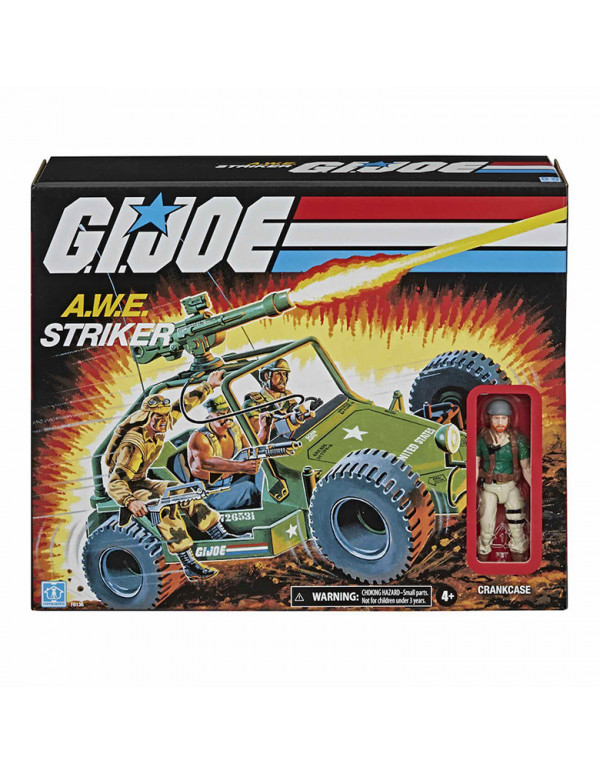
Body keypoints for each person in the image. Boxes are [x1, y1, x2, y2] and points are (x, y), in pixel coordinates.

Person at [105, 370, 236, 581]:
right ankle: (189, 563)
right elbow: (115, 482)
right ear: (147, 417)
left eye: (165, 416)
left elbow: (183, 405)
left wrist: (209, 386)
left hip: (141, 480)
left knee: (185, 491)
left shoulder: (160, 423)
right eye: (158, 417)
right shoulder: (134, 445)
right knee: (165, 506)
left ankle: (219, 534)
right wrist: (130, 501)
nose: (164, 420)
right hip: (128, 487)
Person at [187, 395, 271, 510]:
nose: (227, 417)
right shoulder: (199, 437)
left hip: (229, 484)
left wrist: (265, 429)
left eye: (229, 412)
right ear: (210, 416)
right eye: (221, 414)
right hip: (209, 495)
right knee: (248, 488)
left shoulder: (235, 431)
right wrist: (241, 467)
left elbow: (252, 450)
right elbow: (205, 463)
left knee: (262, 471)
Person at [476, 398, 532, 562]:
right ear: (489, 418)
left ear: (509, 419)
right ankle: (482, 559)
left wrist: (536, 490)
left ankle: (519, 558)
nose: (500, 422)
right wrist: (471, 491)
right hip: (489, 488)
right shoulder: (481, 440)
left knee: (517, 528)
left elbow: (526, 468)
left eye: (503, 418)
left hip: (511, 486)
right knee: (486, 529)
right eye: (496, 418)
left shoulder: (518, 440)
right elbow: (474, 466)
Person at [242, 358, 315, 439]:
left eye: (285, 374)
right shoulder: (252, 403)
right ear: (266, 376)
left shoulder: (288, 396)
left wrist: (307, 412)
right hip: (275, 444)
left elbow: (298, 417)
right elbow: (255, 429)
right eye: (278, 374)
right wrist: (275, 420)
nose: (283, 379)